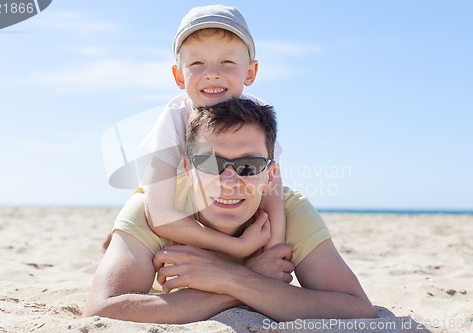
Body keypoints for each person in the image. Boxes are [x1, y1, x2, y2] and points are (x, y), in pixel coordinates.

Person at [84, 98, 377, 323]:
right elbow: (102, 310)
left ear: (270, 173)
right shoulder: (153, 208)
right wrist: (249, 280)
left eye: (249, 166)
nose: (229, 182)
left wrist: (230, 278)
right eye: (211, 163)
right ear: (187, 166)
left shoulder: (290, 211)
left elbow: (357, 309)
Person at [103, 4, 286, 257]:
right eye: (197, 62)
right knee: (137, 214)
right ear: (179, 76)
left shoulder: (258, 118)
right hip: (173, 196)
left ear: (250, 72)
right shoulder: (175, 116)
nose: (212, 73)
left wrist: (272, 256)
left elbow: (273, 201)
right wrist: (237, 247)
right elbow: (159, 211)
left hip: (222, 200)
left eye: (228, 61)